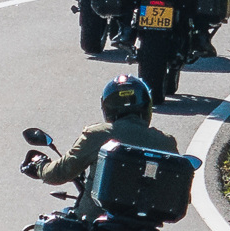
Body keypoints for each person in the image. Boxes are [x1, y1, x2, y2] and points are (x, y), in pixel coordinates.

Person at [31, 74, 181, 189]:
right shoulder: (165, 142)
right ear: (146, 106)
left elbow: (61, 172)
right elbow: (181, 192)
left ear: (107, 107)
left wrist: (40, 166)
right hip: (146, 225)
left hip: (96, 219)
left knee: (54, 224)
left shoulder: (97, 134)